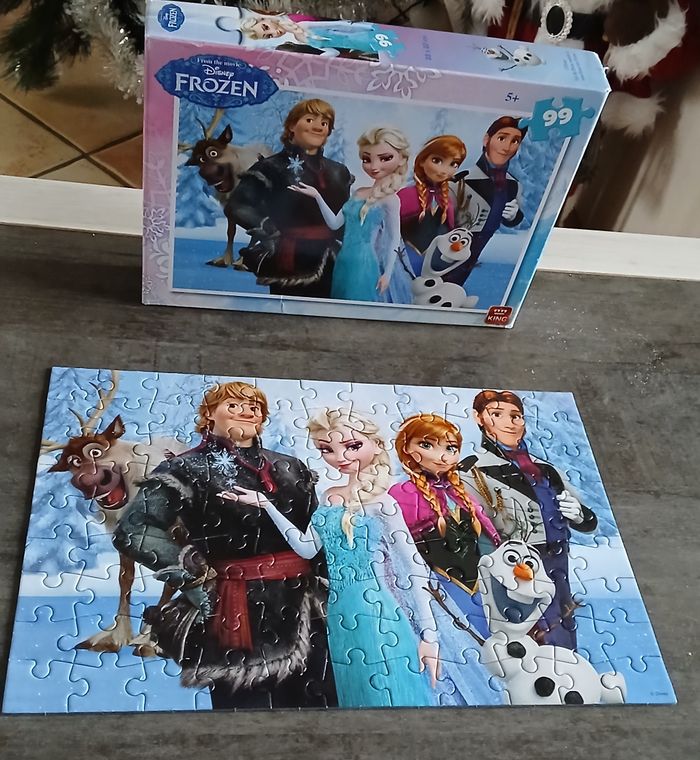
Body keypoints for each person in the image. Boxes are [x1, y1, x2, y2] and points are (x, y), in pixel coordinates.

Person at [112, 381, 336, 709]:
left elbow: (317, 534)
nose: (247, 412)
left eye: (254, 407)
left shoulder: (291, 466)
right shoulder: (183, 468)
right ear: (208, 414)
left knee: (326, 707)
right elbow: (133, 531)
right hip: (237, 612)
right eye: (233, 405)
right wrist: (192, 576)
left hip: (312, 611)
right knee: (249, 713)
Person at [221, 408, 439, 707]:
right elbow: (307, 548)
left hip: (378, 612)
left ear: (376, 445)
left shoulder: (383, 503)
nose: (340, 457)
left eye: (352, 446)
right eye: (327, 449)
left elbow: (415, 567)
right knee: (355, 692)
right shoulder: (329, 496)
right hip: (340, 612)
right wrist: (267, 505)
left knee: (387, 692)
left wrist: (429, 637)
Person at [460, 390, 598, 650]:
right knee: (529, 637)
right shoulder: (472, 470)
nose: (509, 423)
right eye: (497, 414)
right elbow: (472, 529)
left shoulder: (546, 468)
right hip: (516, 567)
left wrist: (578, 514)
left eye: (516, 416)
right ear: (479, 418)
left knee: (562, 629)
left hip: (558, 562)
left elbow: (588, 521)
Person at [389, 414, 501, 640]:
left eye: (450, 448)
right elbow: (397, 551)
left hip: (487, 583)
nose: (442, 456)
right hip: (442, 588)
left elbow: (488, 538)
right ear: (407, 448)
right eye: (427, 445)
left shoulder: (460, 491)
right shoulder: (401, 495)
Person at [228, 98, 353, 298]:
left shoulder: (338, 172)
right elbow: (238, 206)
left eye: (324, 123)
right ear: (292, 126)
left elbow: (346, 216)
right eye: (310, 120)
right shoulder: (270, 167)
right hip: (291, 259)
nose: (318, 127)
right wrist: (268, 229)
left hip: (336, 261)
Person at [290, 126, 414, 304]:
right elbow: (334, 223)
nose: (374, 166)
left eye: (385, 158)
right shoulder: (359, 192)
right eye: (367, 159)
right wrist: (317, 196)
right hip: (344, 261)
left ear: (401, 159)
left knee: (361, 306)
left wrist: (387, 273)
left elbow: (394, 238)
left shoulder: (390, 200)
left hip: (365, 263)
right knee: (341, 306)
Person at [446, 117, 526, 286]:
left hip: (483, 247)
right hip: (454, 245)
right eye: (502, 138)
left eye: (515, 141)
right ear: (487, 140)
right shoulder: (461, 180)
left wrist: (513, 216)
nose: (507, 147)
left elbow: (511, 219)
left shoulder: (513, 184)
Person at [398, 135, 467, 275]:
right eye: (437, 161)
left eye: (454, 164)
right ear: (422, 161)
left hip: (434, 268)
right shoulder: (406, 195)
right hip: (404, 262)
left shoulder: (447, 200)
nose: (444, 170)